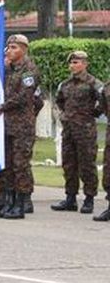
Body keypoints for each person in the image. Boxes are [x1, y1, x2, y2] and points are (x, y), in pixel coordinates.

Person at [0, 34, 40, 219]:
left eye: (14, 47)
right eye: (8, 47)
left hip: (22, 126)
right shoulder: (7, 69)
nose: (9, 51)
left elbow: (24, 97)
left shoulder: (29, 70)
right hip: (6, 124)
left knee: (21, 165)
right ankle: (9, 200)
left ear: (24, 49)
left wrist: (2, 107)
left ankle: (22, 203)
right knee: (8, 164)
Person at [51, 51, 103, 213]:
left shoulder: (93, 83)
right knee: (69, 164)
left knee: (87, 164)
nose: (73, 65)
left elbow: (102, 102)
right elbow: (59, 101)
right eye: (71, 63)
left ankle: (89, 198)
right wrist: (65, 115)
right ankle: (70, 198)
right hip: (68, 131)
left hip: (85, 131)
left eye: (76, 62)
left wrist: (91, 114)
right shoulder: (65, 84)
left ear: (85, 64)